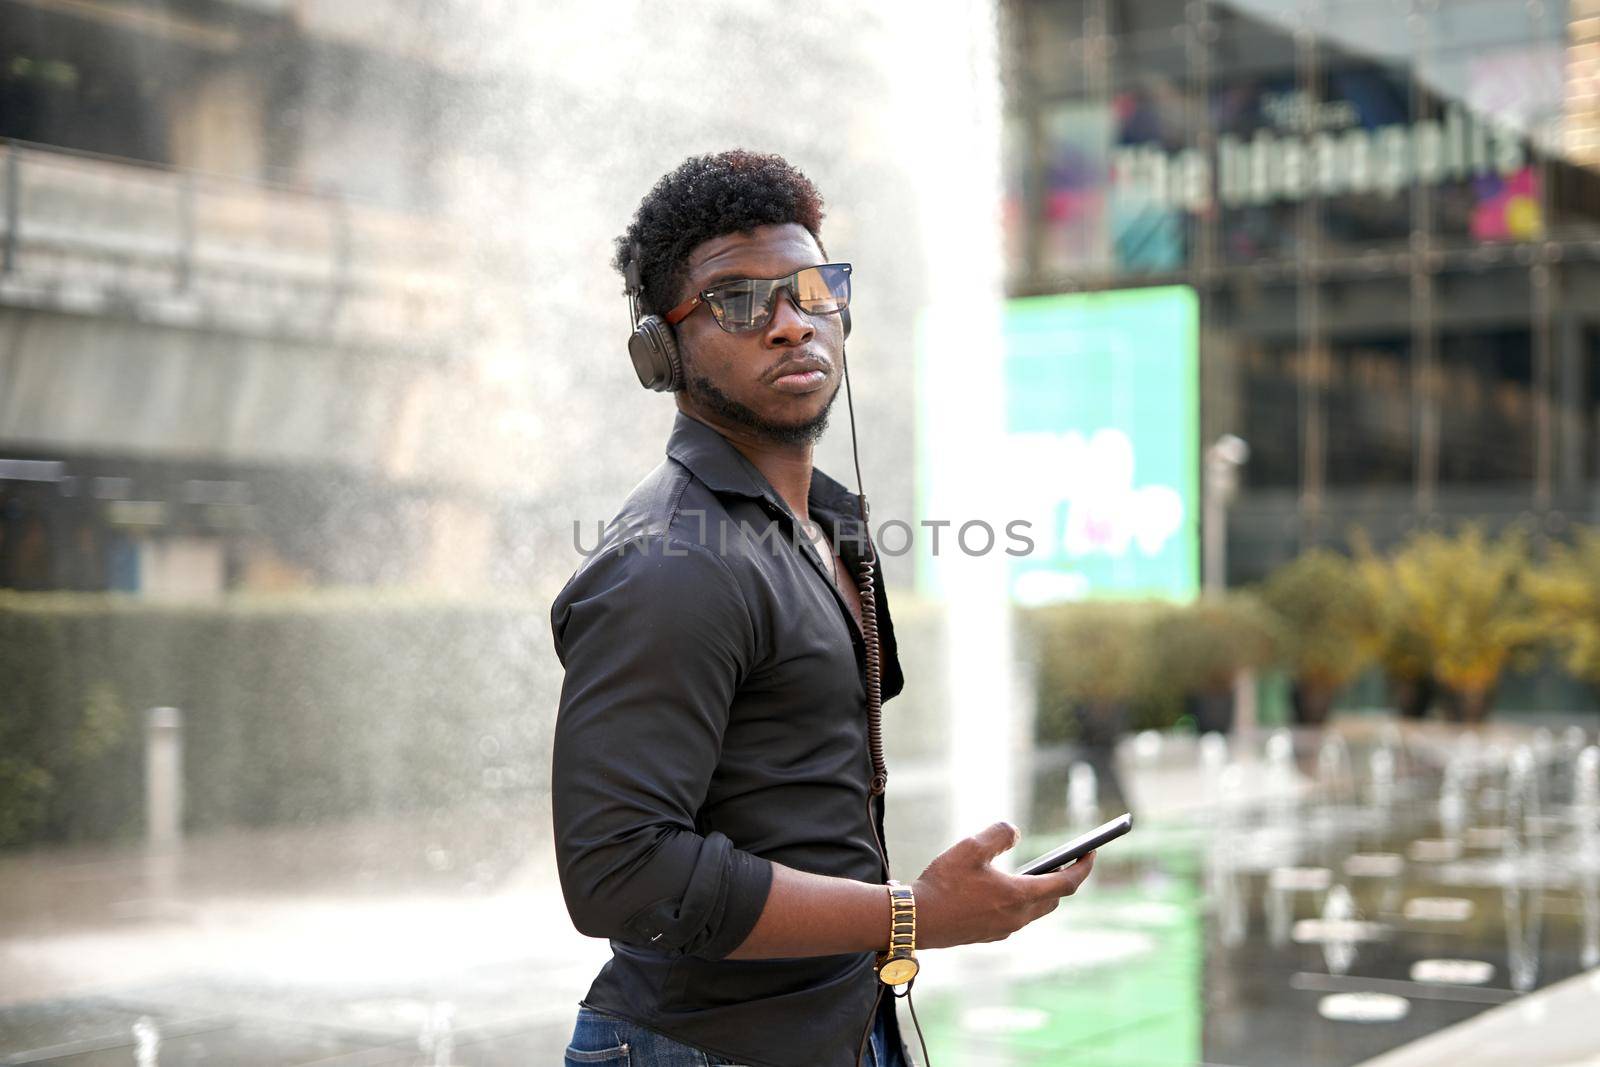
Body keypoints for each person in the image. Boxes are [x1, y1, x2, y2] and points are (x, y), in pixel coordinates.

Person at [550, 150, 1096, 1067]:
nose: (789, 322)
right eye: (736, 300)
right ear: (659, 349)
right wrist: (916, 913)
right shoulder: (670, 563)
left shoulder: (826, 526)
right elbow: (619, 872)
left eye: (812, 288)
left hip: (839, 1026)